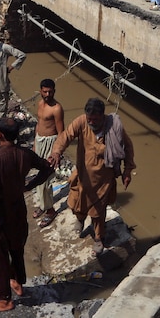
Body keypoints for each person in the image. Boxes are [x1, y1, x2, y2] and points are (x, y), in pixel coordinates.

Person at [0, 117, 54, 313]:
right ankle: (17, 282)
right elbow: (47, 168)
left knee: (0, 254)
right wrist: (29, 186)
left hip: (0, 212)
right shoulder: (25, 154)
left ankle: (5, 299)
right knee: (16, 246)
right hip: (18, 208)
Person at [49, 98, 136, 255]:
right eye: (90, 119)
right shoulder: (82, 122)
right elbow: (66, 136)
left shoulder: (114, 126)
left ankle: (98, 237)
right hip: (82, 175)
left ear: (102, 116)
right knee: (76, 202)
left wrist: (127, 170)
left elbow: (128, 147)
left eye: (95, 120)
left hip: (103, 178)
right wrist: (56, 151)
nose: (92, 122)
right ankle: (80, 219)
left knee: (97, 212)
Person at [32, 79, 64, 228]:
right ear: (40, 91)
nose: (47, 94)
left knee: (46, 180)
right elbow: (39, 124)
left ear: (54, 91)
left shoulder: (57, 108)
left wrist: (56, 152)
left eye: (50, 91)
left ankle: (50, 211)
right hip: (39, 142)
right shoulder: (39, 104)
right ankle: (43, 205)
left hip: (51, 144)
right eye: (44, 91)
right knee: (38, 177)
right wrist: (34, 143)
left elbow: (61, 133)